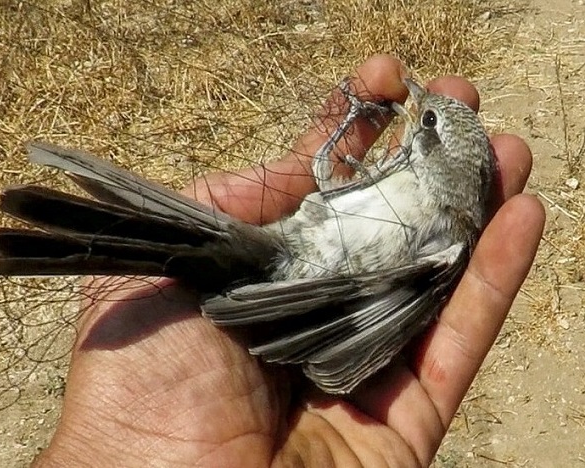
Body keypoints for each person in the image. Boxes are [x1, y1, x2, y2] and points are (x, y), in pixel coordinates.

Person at [32, 55, 545, 467]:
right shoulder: (424, 193)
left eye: (425, 118)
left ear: (432, 149)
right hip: (292, 263)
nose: (416, 106)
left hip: (298, 270)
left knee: (209, 244)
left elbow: (374, 314)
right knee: (208, 240)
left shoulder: (449, 244)